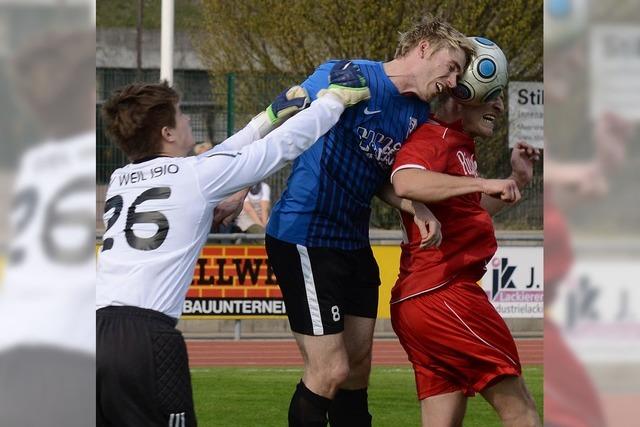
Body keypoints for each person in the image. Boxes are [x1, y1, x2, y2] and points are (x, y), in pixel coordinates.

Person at [96, 61, 371, 427]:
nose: (187, 122)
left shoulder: (120, 178)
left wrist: (268, 117)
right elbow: (280, 148)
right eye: (180, 116)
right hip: (146, 338)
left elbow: (217, 158)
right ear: (166, 132)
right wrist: (335, 99)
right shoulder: (196, 176)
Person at [265, 15, 474, 427]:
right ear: (425, 47)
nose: (452, 81)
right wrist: (237, 184)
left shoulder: (416, 114)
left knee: (357, 372)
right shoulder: (351, 75)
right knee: (330, 371)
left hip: (352, 244)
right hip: (305, 233)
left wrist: (418, 206)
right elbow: (281, 114)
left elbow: (386, 179)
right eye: (451, 67)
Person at [390, 88, 542, 426]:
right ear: (462, 95)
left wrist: (516, 180)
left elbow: (467, 211)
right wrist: (484, 182)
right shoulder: (434, 136)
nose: (501, 106)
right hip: (444, 292)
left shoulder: (456, 144)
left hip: (419, 299)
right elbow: (405, 181)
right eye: (493, 96)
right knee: (522, 411)